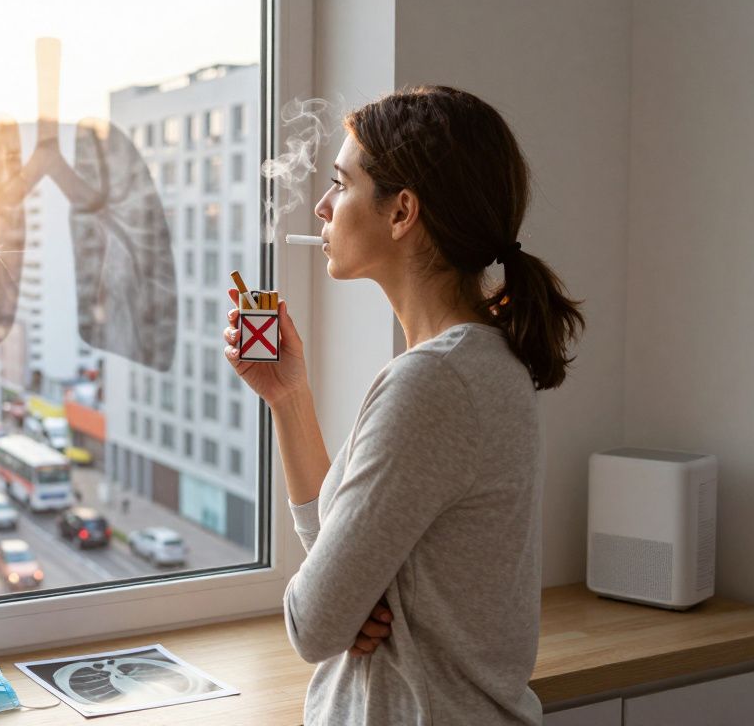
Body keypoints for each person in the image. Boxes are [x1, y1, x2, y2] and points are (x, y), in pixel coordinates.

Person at [224, 85, 585, 725]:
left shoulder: (432, 384)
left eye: (341, 183)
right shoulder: (479, 363)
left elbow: (312, 624)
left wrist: (342, 601)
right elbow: (338, 558)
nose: (322, 205)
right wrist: (289, 397)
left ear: (402, 212)